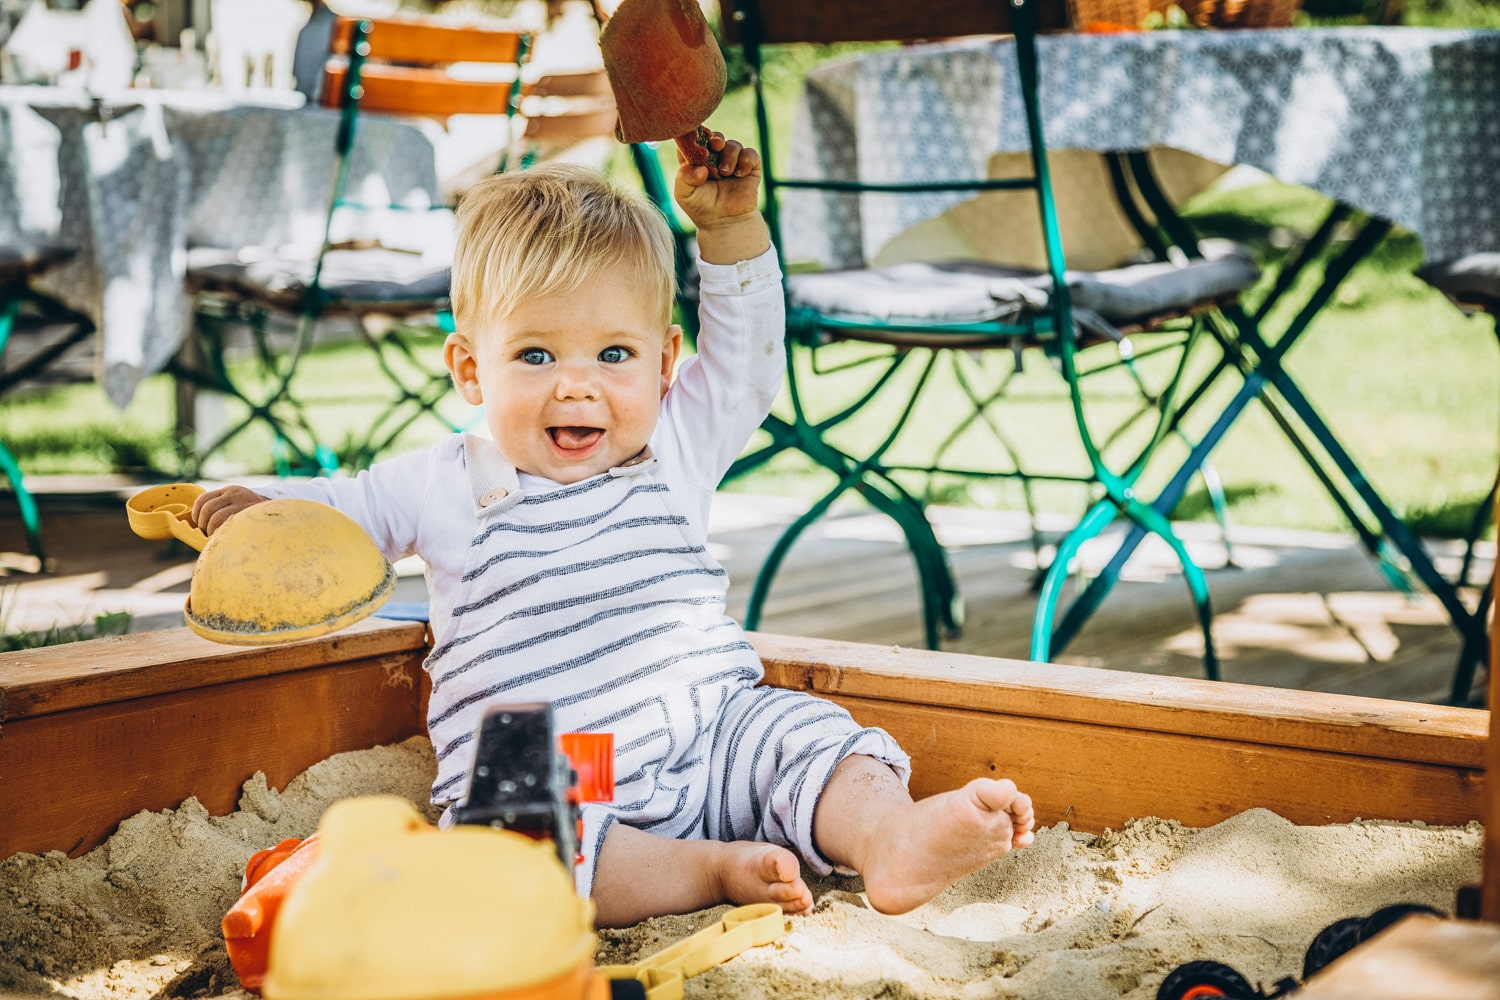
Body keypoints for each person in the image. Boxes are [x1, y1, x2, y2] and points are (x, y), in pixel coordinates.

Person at [190, 133, 1036, 927]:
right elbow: (340, 515)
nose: (577, 387)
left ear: (666, 363)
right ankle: (707, 872)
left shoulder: (676, 442)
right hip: (570, 766)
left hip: (711, 732)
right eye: (535, 356)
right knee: (510, 841)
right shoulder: (442, 481)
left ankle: (889, 839)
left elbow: (747, 361)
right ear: (469, 369)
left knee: (813, 738)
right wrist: (259, 509)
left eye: (613, 355)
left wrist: (732, 228)